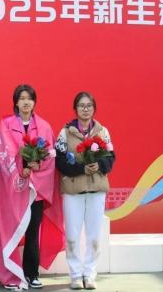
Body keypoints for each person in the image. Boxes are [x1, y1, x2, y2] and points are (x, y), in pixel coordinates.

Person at [0, 84, 64, 290]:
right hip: (14, 190)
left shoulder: (44, 127)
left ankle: (32, 274)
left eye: (29, 98)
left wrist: (36, 167)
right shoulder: (6, 125)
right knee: (11, 230)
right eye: (22, 98)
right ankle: (11, 275)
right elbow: (3, 155)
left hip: (36, 191)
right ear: (16, 102)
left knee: (33, 232)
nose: (25, 102)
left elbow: (50, 157)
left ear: (34, 102)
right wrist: (21, 170)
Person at [55, 92, 116, 290]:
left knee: (94, 236)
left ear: (94, 108)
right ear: (75, 109)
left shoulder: (103, 132)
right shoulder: (65, 133)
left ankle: (89, 274)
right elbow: (59, 161)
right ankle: (75, 275)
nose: (85, 109)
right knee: (72, 236)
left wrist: (99, 166)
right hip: (73, 191)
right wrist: (81, 169)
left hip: (97, 190)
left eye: (89, 105)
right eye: (81, 105)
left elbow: (111, 157)